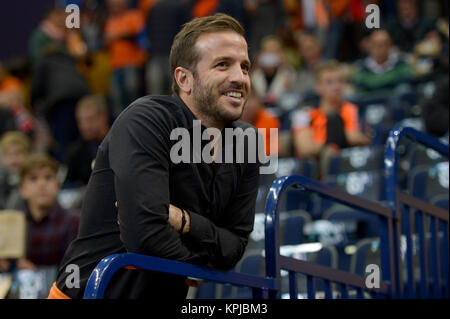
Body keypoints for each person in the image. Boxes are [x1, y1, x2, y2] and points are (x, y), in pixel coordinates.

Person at [49, 13, 261, 300]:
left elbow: (234, 248)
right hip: (90, 293)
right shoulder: (147, 118)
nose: (240, 78)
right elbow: (145, 237)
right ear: (184, 79)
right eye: (223, 64)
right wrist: (203, 261)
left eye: (245, 67)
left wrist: (183, 220)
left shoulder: (245, 141)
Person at [0, 154, 80, 273]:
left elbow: (74, 272)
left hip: (58, 289)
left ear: (58, 186)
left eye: (48, 177)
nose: (41, 184)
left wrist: (35, 273)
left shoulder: (74, 221)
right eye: (33, 178)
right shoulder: (12, 223)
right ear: (22, 189)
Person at [292, 61, 370, 160]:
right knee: (329, 152)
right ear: (318, 88)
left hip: (344, 160)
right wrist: (330, 143)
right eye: (329, 82)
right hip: (315, 164)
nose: (336, 87)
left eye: (340, 81)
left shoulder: (350, 108)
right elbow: (305, 148)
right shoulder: (304, 113)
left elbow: (353, 138)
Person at [104, 0, 146, 117]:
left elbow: (137, 35)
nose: (115, 7)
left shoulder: (134, 15)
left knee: (132, 92)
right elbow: (106, 40)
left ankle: (138, 118)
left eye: (117, 4)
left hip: (131, 62)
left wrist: (117, 35)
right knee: (117, 98)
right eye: (112, 5)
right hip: (115, 65)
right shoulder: (111, 20)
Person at [352, 29, 414, 103]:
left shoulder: (401, 65)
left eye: (384, 45)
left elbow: (406, 88)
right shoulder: (362, 70)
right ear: (370, 46)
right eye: (376, 45)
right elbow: (360, 95)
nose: (380, 49)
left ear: (390, 46)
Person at [64, 95, 110, 186]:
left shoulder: (121, 144)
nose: (85, 126)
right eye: (80, 121)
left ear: (104, 117)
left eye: (90, 120)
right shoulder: (75, 153)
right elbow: (67, 185)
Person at [0, 132, 32, 210]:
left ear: (28, 155)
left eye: (18, 153)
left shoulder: (35, 180)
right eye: (8, 154)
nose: (13, 158)